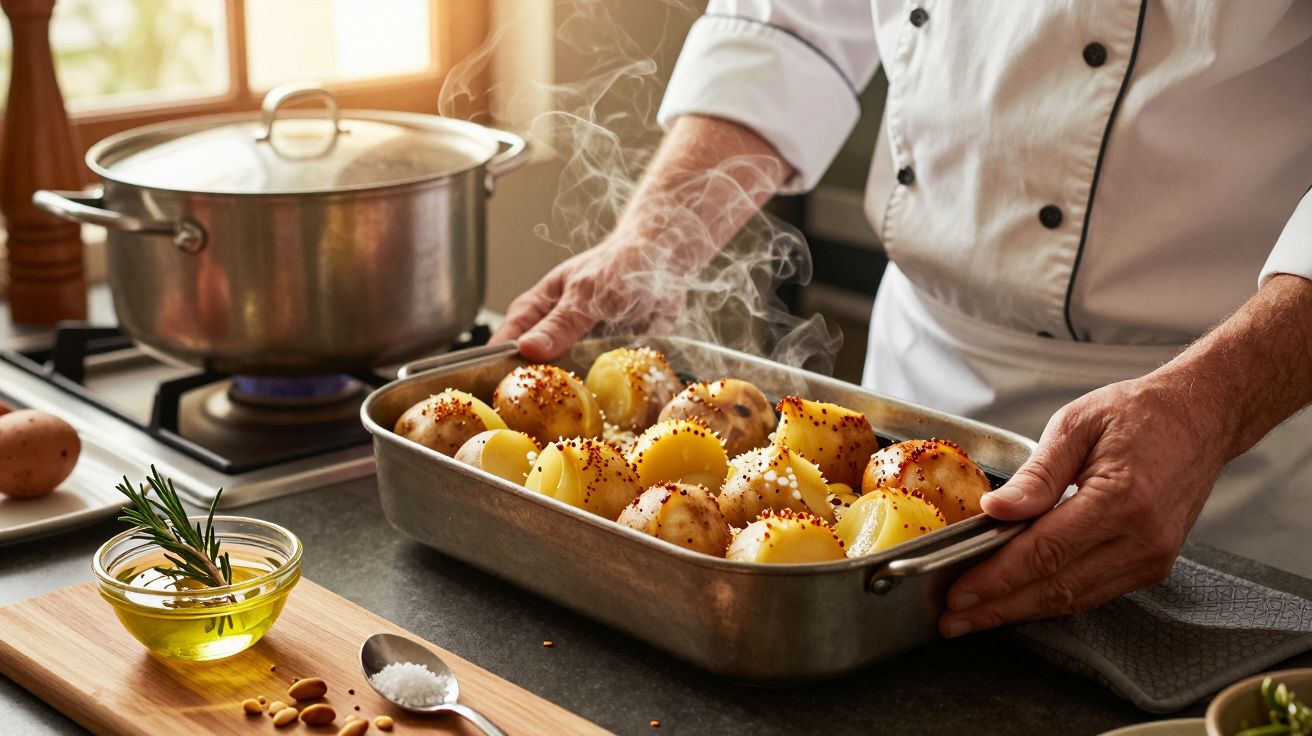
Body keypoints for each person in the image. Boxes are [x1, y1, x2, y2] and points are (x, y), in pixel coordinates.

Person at [490, 2, 1312, 638]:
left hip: (1230, 430)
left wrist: (1213, 403)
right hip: (918, 395)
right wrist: (654, 241)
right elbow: (789, 22)